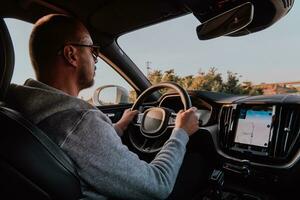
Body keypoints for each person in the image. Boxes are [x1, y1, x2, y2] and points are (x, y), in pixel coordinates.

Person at [6, 14, 200, 200]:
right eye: (92, 50)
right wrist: (180, 132)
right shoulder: (79, 121)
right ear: (71, 54)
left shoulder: (18, 108)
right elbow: (158, 185)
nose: (95, 59)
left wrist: (118, 127)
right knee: (197, 165)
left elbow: (78, 148)